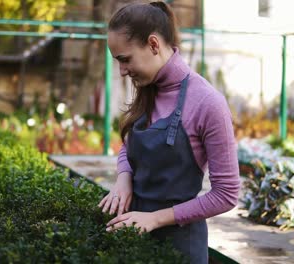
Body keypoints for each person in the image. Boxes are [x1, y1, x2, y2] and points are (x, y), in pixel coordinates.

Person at [98, 1, 240, 263]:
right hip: (134, 238)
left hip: (180, 247)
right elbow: (129, 145)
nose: (121, 71)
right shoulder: (148, 88)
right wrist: (124, 176)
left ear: (153, 45)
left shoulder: (208, 103)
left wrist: (155, 218)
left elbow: (227, 193)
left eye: (125, 59)